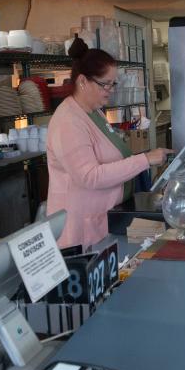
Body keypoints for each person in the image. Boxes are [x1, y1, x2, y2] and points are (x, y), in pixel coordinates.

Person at [46, 39, 172, 250]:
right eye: (105, 84)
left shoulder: (94, 112)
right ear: (83, 81)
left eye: (113, 83)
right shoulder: (68, 121)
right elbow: (89, 176)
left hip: (107, 218)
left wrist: (146, 157)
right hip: (81, 229)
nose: (110, 90)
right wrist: (144, 160)